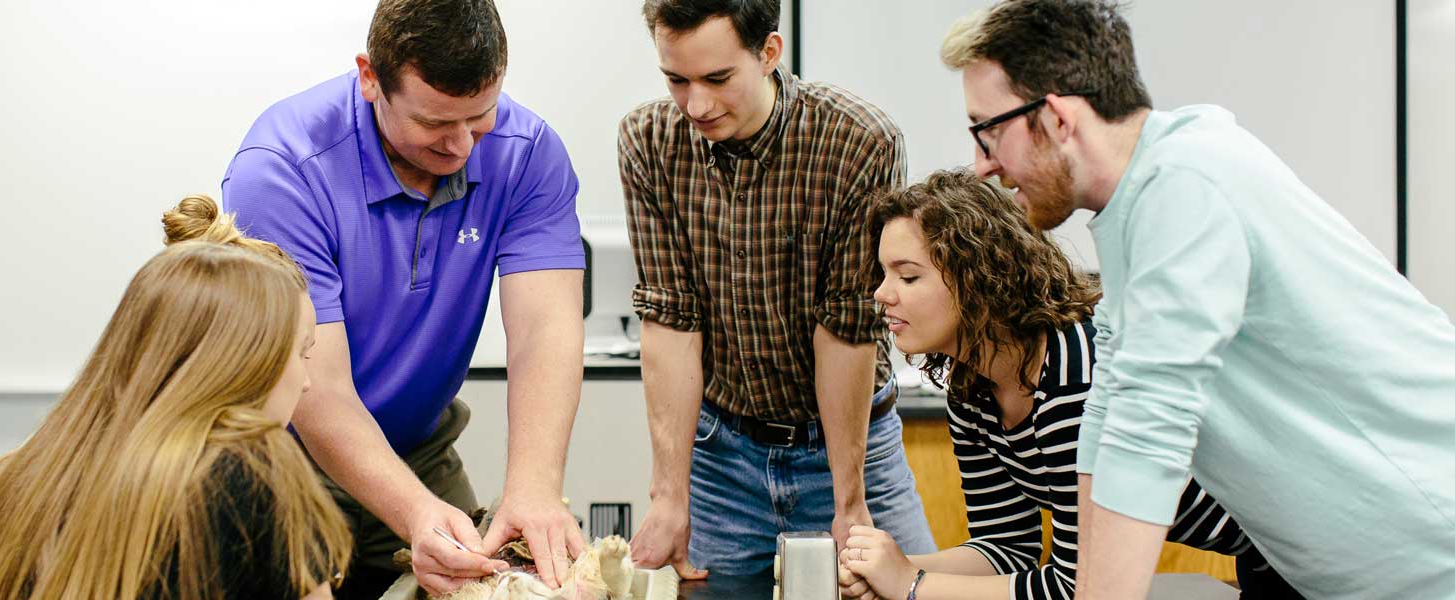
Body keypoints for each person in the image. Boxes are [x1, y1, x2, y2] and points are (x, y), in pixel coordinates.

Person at [938, 1, 1455, 597]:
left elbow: (1149, 431)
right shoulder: (1138, 205)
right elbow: (1107, 421)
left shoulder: (1187, 184)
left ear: (1056, 118)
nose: (982, 165)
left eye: (988, 131)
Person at [220, 0, 588, 596]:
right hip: (281, 461)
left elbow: (546, 330)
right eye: (434, 123)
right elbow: (322, 387)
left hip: (421, 447)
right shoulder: (283, 168)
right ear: (371, 77)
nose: (462, 145)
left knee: (493, 585)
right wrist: (416, 513)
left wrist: (534, 487)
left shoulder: (526, 152)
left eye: (480, 116)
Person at [837, 170, 1298, 600]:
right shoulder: (972, 391)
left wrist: (912, 584)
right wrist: (887, 570)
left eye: (908, 275)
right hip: (1266, 555)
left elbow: (1075, 587)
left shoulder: (1073, 378)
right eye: (883, 274)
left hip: (1310, 547)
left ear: (977, 277)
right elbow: (1005, 550)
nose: (881, 293)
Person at [620, 0, 935, 578]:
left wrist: (848, 502)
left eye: (717, 79)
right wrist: (669, 494)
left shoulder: (857, 143)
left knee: (908, 589)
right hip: (724, 459)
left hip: (850, 447)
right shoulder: (649, 141)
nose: (697, 105)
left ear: (768, 53)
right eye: (676, 79)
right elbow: (670, 317)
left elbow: (847, 326)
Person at [0, 195, 352, 600]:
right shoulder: (255, 473)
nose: (305, 382)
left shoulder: (7, 482)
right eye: (301, 353)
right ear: (244, 361)